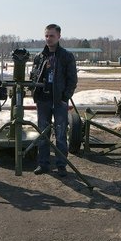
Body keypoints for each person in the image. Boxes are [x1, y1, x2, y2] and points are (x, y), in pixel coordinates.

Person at [30, 24, 78, 177]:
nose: (48, 39)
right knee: (43, 133)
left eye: (51, 35)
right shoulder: (39, 57)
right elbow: (33, 76)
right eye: (46, 36)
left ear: (58, 36)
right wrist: (34, 92)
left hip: (59, 101)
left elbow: (72, 79)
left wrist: (65, 97)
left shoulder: (66, 56)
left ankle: (61, 165)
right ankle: (43, 164)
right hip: (43, 101)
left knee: (61, 134)